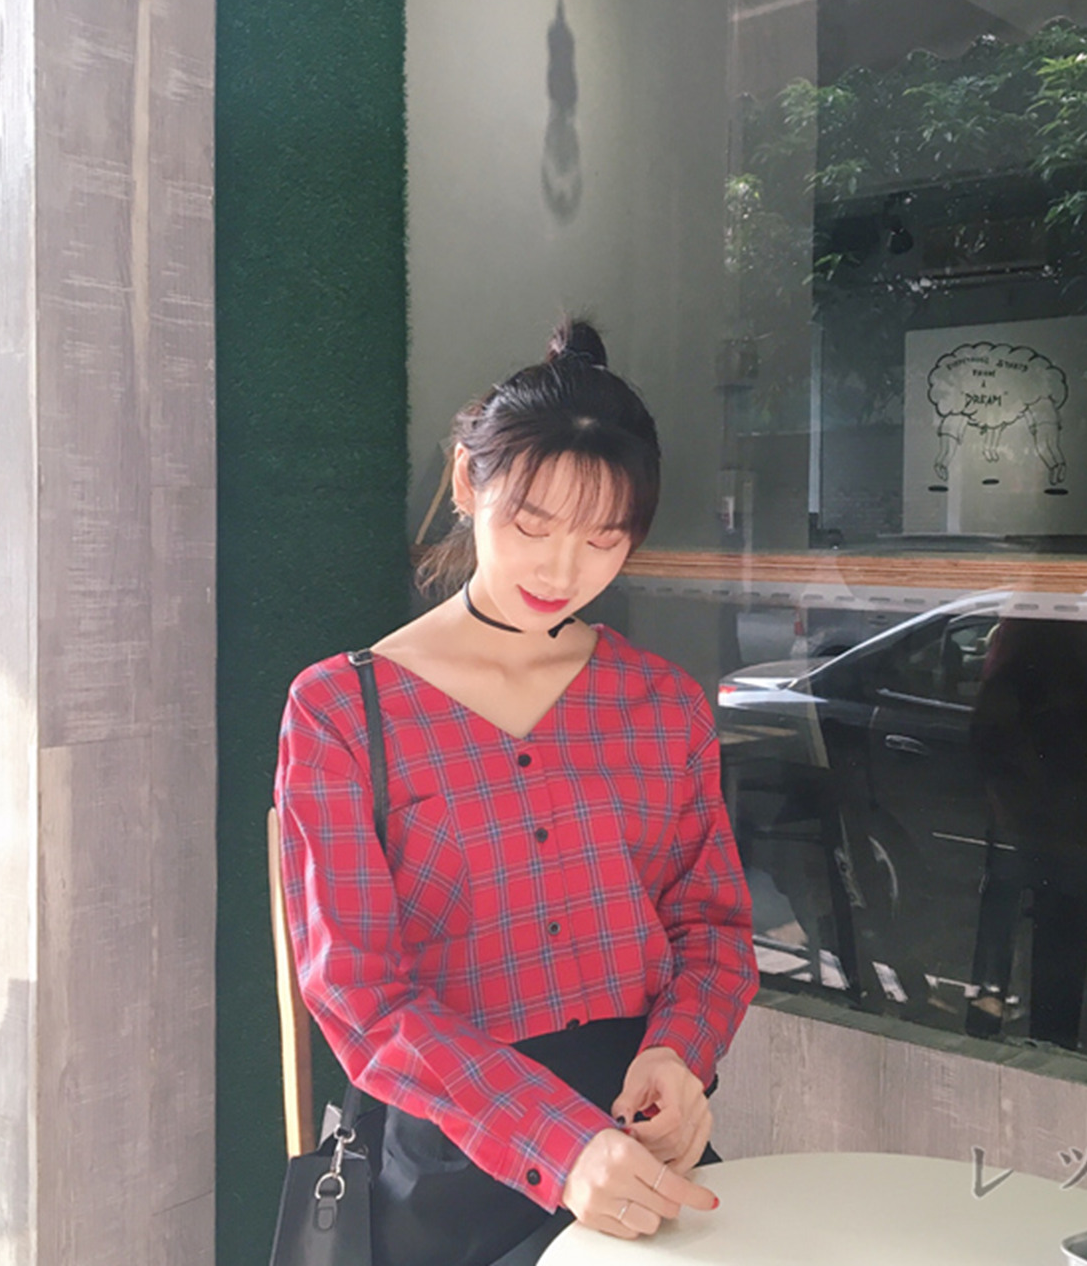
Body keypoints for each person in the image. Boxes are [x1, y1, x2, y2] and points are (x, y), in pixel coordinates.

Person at [275, 319, 758, 1266]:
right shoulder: (342, 709)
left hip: (638, 1131)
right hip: (444, 1156)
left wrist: (681, 1055)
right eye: (532, 525)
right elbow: (362, 995)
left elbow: (711, 927)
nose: (561, 570)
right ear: (467, 482)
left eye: (604, 539)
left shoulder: (662, 704)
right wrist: (557, 1143)